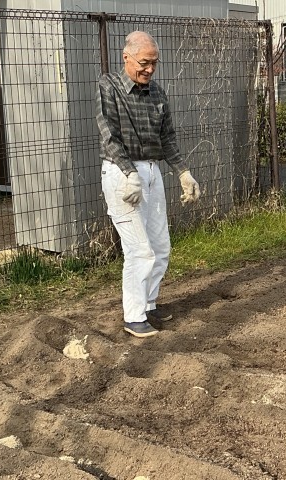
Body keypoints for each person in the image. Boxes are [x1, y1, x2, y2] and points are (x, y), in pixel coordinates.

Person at [96, 31, 201, 338]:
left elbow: (167, 139)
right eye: (144, 62)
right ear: (126, 57)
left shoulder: (158, 94)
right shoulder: (109, 86)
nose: (150, 69)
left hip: (152, 172)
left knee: (160, 247)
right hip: (121, 173)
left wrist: (183, 173)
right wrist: (129, 173)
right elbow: (109, 135)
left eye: (154, 63)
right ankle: (133, 316)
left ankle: (148, 303)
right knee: (139, 250)